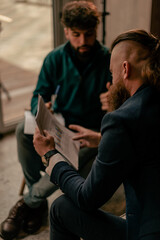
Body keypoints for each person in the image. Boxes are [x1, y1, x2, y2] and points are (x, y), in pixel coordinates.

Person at [33, 29, 160, 240]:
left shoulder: (121, 120)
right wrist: (103, 139)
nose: (110, 83)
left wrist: (50, 155)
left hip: (146, 232)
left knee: (61, 208)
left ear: (125, 69)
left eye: (112, 73)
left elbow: (87, 198)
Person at [0, 1, 111, 240]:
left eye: (89, 35)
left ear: (96, 31)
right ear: (66, 31)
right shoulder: (54, 59)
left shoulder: (107, 60)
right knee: (22, 131)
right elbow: (38, 94)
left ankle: (29, 203)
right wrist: (41, 107)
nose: (83, 42)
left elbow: (122, 109)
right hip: (60, 124)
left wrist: (114, 101)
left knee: (71, 158)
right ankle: (37, 202)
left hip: (88, 134)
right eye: (76, 35)